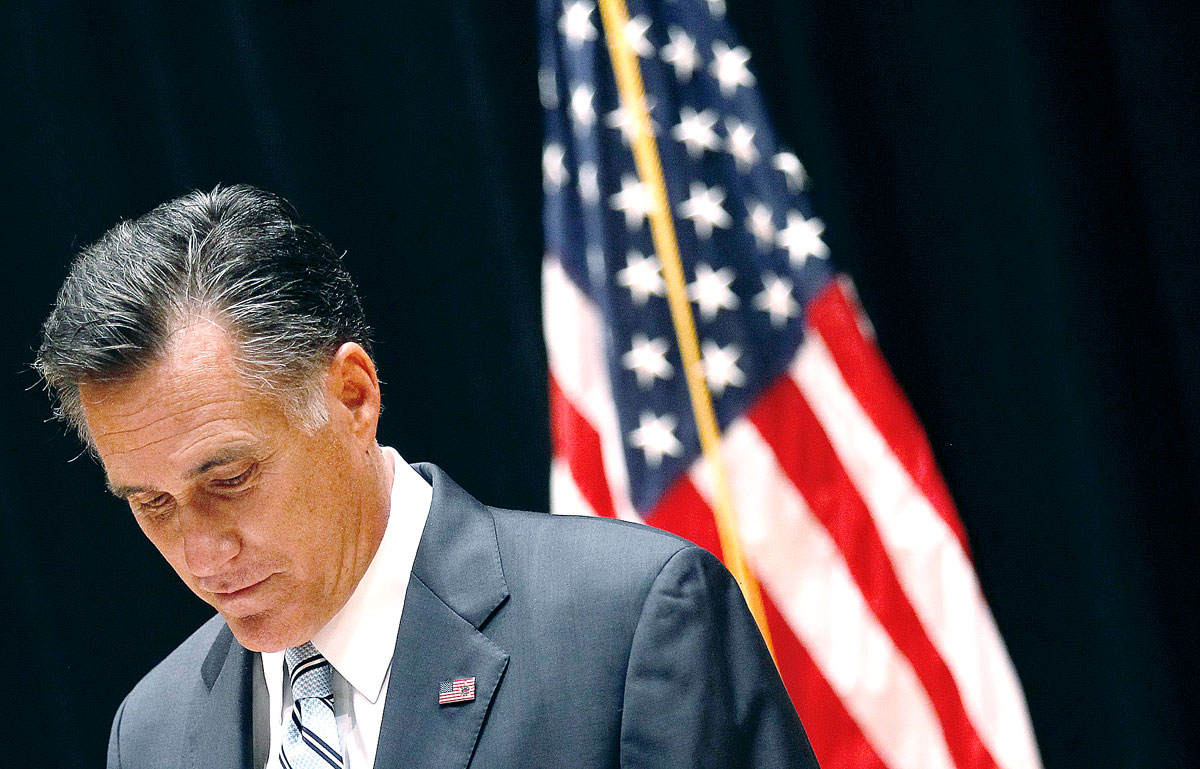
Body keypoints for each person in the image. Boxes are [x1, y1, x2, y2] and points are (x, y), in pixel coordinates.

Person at [36, 184, 819, 769]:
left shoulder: (630, 623)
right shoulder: (152, 732)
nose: (202, 552)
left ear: (352, 396)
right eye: (152, 504)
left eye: (231, 478)